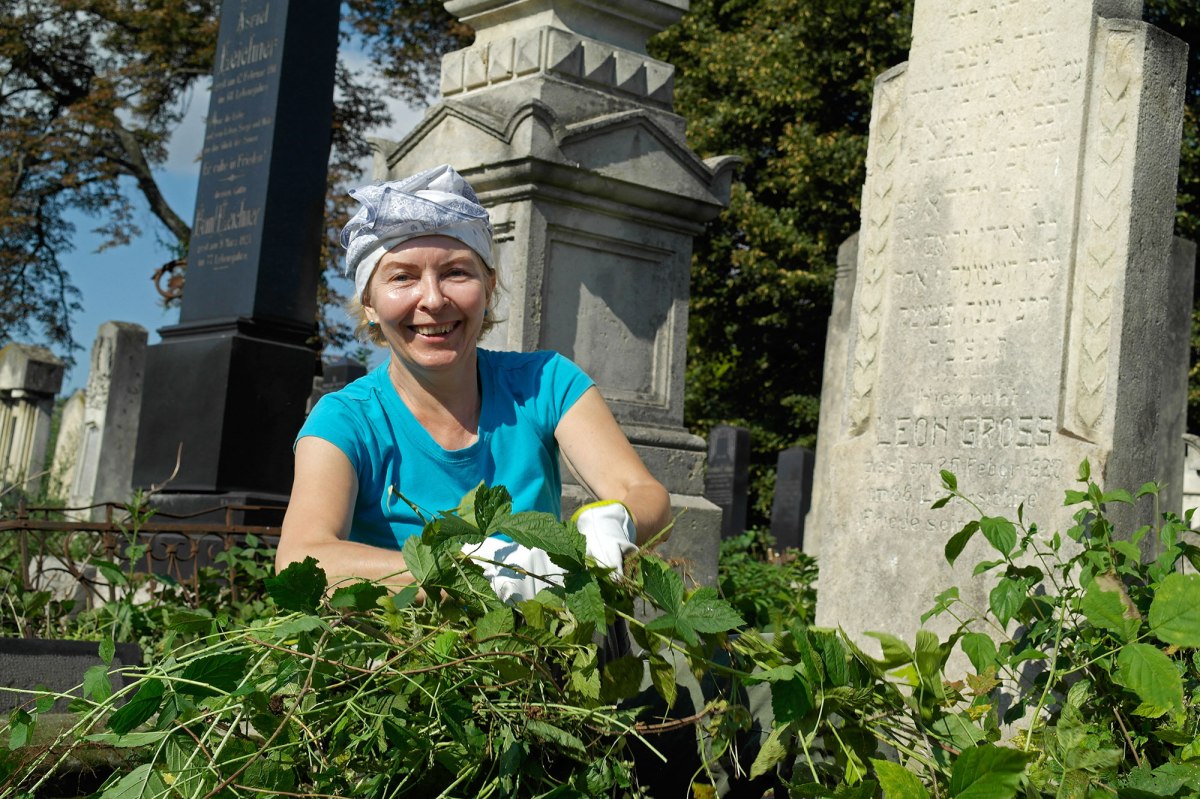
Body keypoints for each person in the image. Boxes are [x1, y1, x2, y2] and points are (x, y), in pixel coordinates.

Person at [276, 163, 671, 601]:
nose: (432, 299)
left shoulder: (545, 383)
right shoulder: (346, 421)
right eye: (403, 277)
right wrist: (473, 571)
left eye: (456, 272)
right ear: (369, 303)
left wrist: (617, 520)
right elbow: (302, 559)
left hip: (540, 654)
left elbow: (643, 492)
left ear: (489, 286)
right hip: (399, 660)